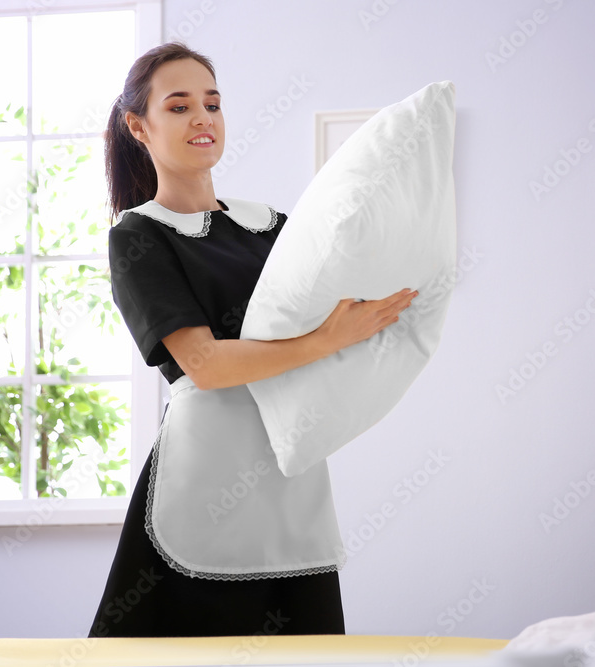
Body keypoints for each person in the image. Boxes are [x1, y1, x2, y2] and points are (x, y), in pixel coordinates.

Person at [87, 41, 418, 638]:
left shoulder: (271, 227)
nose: (203, 119)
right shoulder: (139, 238)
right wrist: (325, 339)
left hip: (289, 473)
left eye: (212, 104)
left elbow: (338, 311)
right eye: (180, 106)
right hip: (203, 476)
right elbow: (204, 365)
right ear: (140, 126)